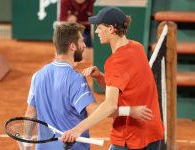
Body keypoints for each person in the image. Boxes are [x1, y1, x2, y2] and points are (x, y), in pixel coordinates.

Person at [61, 6, 164, 150]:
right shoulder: (137, 48)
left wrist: (76, 130)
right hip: (153, 132)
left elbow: (110, 106)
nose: (96, 31)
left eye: (99, 27)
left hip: (130, 137)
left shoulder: (115, 62)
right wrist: (101, 77)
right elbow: (127, 87)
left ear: (111, 29)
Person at [21, 22, 99, 150]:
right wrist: (122, 109)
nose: (84, 45)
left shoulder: (38, 76)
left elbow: (31, 113)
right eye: (81, 41)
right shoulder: (76, 79)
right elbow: (94, 111)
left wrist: (27, 145)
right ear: (72, 46)